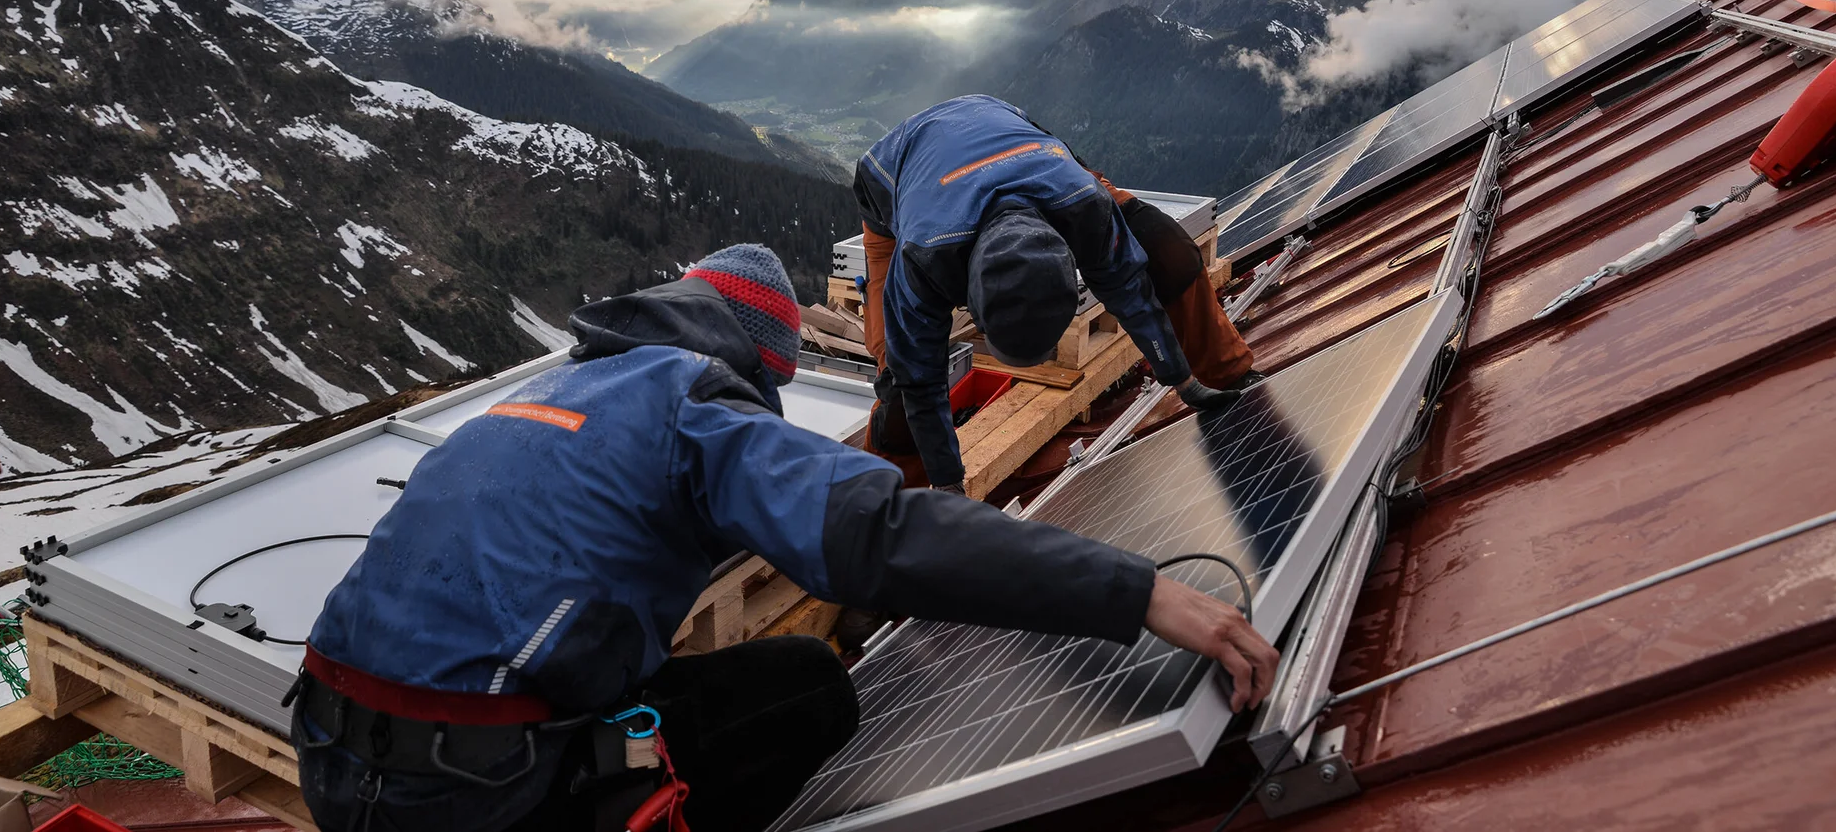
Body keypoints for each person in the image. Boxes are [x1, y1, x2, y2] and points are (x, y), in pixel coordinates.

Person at [291, 244, 1278, 832]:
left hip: (327, 755)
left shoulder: (545, 394)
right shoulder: (692, 406)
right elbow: (883, 529)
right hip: (468, 795)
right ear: (752, 370)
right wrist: (1139, 592)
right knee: (804, 680)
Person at [855, 95, 1259, 493]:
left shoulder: (1082, 206)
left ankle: (1229, 373)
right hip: (898, 169)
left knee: (1168, 253)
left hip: (1016, 143)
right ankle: (891, 504)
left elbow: (1127, 285)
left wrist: (1182, 378)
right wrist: (948, 484)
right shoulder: (925, 256)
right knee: (898, 377)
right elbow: (919, 380)